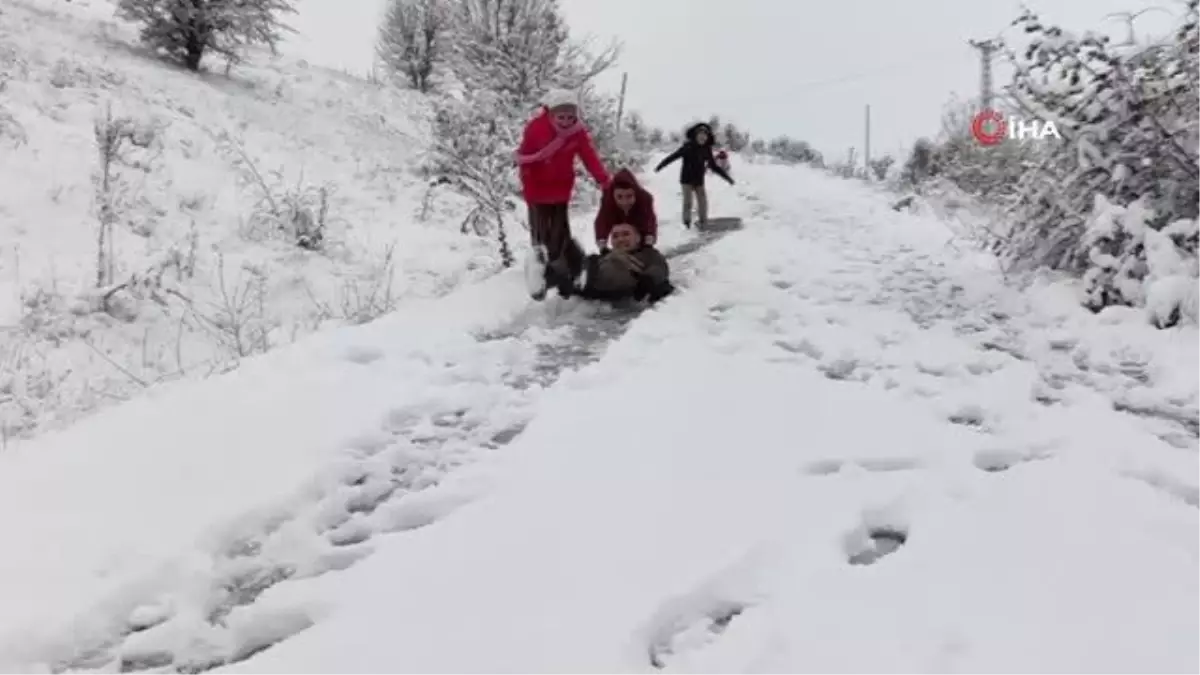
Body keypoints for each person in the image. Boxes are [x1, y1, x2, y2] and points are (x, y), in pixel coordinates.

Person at [515, 88, 611, 300]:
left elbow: (589, 157)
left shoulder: (578, 133)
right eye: (561, 116)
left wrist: (604, 180)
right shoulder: (536, 128)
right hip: (537, 189)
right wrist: (528, 183)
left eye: (571, 116)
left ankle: (566, 269)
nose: (567, 121)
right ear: (550, 114)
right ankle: (543, 270)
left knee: (559, 230)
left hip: (560, 189)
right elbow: (525, 157)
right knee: (541, 232)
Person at [542, 171, 672, 304]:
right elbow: (602, 222)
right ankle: (553, 273)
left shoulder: (648, 255)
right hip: (595, 285)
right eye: (615, 236)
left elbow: (660, 268)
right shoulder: (607, 254)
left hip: (620, 286)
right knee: (588, 263)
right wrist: (603, 249)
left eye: (626, 234)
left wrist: (648, 280)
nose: (620, 239)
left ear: (638, 238)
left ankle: (568, 274)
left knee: (593, 269)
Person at [653, 122, 734, 229]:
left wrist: (727, 178)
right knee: (688, 202)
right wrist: (660, 166)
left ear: (707, 137)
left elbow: (713, 166)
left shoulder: (707, 150)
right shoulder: (688, 147)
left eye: (705, 136)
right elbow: (673, 157)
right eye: (700, 135)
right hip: (686, 179)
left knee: (703, 201)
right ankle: (686, 223)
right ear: (695, 136)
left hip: (699, 180)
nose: (702, 138)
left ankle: (703, 222)